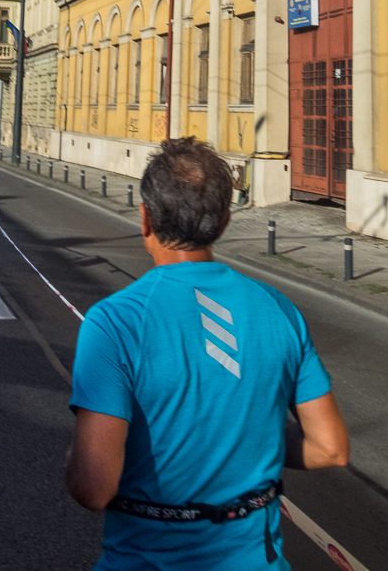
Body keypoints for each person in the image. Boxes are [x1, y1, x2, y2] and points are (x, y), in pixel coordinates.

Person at [65, 136, 349, 570]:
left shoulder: (114, 322)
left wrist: (76, 457)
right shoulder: (279, 309)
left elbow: (93, 487)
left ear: (145, 218)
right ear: (224, 221)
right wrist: (247, 434)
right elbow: (330, 447)